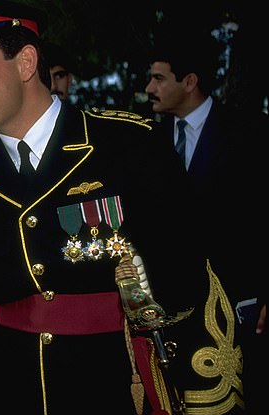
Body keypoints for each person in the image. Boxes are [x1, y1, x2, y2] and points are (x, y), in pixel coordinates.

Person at [0, 0, 206, 414]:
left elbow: (185, 274)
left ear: (26, 62)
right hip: (7, 387)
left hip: (118, 383)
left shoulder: (130, 146)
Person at [145, 32, 267, 415]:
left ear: (190, 82)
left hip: (240, 305)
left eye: (159, 78)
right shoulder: (149, 140)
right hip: (171, 312)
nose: (149, 88)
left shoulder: (251, 132)